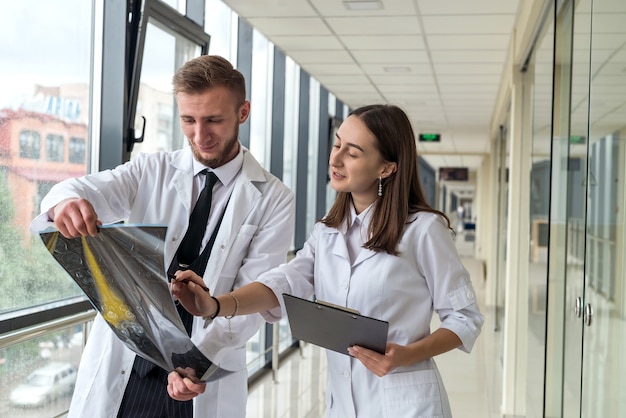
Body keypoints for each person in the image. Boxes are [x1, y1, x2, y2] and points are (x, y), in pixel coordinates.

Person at [169, 104, 484, 417]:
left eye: (353, 152)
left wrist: (406, 355)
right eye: (337, 144)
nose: (335, 159)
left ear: (386, 168)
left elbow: (465, 317)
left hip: (408, 404)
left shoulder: (423, 230)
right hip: (342, 403)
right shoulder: (327, 232)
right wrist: (215, 305)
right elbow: (283, 282)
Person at [30, 55, 295, 418]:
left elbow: (254, 297)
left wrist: (196, 362)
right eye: (189, 120)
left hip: (200, 376)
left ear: (243, 112)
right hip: (126, 369)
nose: (200, 135)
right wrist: (66, 203)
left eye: (214, 120)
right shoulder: (150, 170)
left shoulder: (274, 198)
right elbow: (77, 189)